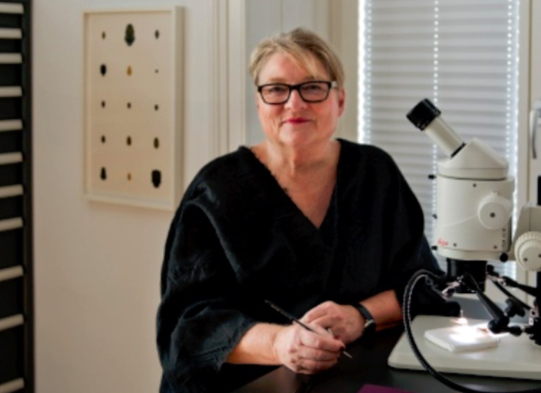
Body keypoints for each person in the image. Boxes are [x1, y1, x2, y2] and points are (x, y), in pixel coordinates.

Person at [156, 27, 445, 393]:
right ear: (259, 103)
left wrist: (361, 316)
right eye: (276, 89)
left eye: (312, 87)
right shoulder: (216, 190)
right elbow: (189, 329)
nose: (294, 104)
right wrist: (281, 343)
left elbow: (423, 283)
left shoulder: (375, 174)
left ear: (339, 100)